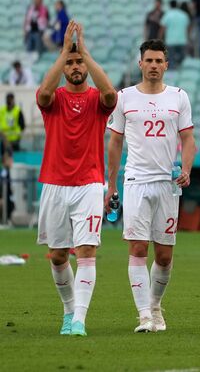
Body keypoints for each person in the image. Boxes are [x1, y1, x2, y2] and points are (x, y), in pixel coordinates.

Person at [105, 39, 196, 333]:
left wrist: (187, 169)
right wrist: (111, 184)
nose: (154, 65)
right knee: (137, 247)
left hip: (168, 184)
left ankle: (155, 305)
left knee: (165, 256)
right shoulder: (124, 97)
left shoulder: (179, 97)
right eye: (149, 60)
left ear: (166, 65)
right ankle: (144, 315)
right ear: (140, 63)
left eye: (159, 61)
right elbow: (115, 142)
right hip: (136, 181)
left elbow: (188, 139)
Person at [36, 21, 118, 337]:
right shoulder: (54, 99)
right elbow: (43, 93)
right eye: (69, 63)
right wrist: (64, 53)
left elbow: (110, 94)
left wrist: (85, 52)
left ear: (86, 64)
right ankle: (69, 311)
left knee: (86, 251)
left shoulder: (98, 100)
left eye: (78, 62)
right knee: (58, 255)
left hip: (89, 185)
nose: (74, 67)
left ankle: (80, 320)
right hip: (55, 184)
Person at [160, 0, 190, 68]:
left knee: (171, 59)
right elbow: (188, 28)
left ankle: (173, 71)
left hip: (170, 41)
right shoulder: (184, 14)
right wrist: (188, 38)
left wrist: (160, 38)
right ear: (177, 5)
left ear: (170, 5)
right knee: (182, 60)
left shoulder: (167, 14)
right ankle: (180, 70)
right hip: (182, 40)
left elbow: (163, 28)